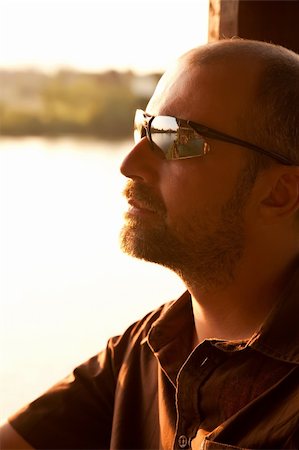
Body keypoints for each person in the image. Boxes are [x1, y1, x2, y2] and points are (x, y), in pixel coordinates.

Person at [1, 38, 299, 449]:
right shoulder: (146, 349)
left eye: (177, 138)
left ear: (279, 193)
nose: (129, 164)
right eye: (144, 128)